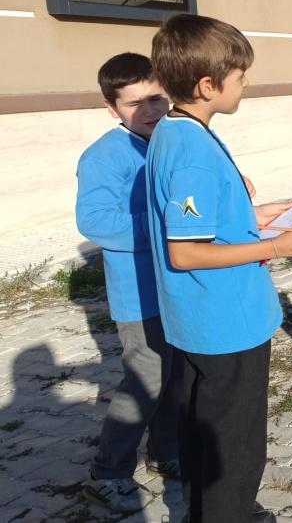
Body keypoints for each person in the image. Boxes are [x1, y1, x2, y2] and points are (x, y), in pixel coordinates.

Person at [146, 14, 292, 522]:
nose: (246, 83)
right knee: (233, 446)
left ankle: (221, 511)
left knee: (208, 432)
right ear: (208, 85)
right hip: (225, 322)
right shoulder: (192, 149)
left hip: (202, 319)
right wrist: (275, 248)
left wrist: (261, 218)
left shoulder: (174, 131)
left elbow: (205, 221)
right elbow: (187, 251)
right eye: (240, 76)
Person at [76, 53, 179, 514]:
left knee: (175, 376)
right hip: (139, 295)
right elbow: (95, 220)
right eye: (135, 103)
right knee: (146, 380)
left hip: (180, 284)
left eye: (157, 98)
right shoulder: (103, 156)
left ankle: (167, 452)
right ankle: (108, 473)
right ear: (111, 108)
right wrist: (167, 226)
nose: (150, 111)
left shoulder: (174, 140)